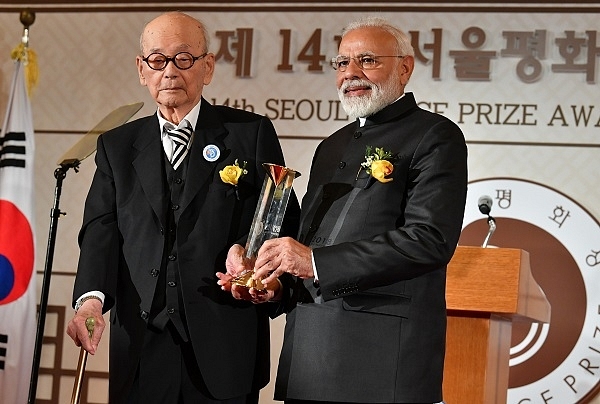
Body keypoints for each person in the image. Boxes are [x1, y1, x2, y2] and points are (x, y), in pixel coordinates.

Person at [223, 16, 468, 403]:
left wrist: (315, 262)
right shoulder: (331, 145)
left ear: (405, 67)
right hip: (308, 358)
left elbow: (429, 240)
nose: (350, 73)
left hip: (381, 361)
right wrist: (275, 285)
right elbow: (310, 243)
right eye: (341, 63)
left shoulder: (435, 135)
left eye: (367, 60)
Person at [66, 11, 299, 404]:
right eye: (157, 60)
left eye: (183, 58)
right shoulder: (117, 147)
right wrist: (90, 300)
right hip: (140, 344)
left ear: (207, 67)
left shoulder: (250, 134)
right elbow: (100, 230)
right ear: (142, 70)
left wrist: (250, 261)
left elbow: (279, 218)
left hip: (223, 342)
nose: (169, 71)